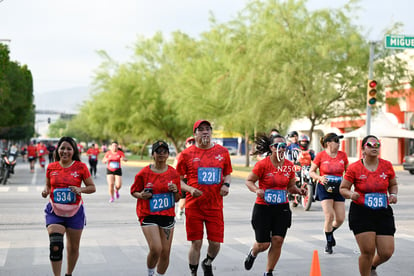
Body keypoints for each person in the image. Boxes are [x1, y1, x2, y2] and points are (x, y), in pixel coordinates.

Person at [244, 133, 306, 276]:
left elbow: (290, 187)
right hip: (263, 208)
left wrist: (299, 191)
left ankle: (269, 272)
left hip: (282, 208)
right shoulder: (262, 164)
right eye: (277, 146)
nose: (281, 149)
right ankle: (253, 252)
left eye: (284, 146)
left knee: (278, 240)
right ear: (271, 148)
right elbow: (249, 181)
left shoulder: (289, 166)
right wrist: (257, 190)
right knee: (263, 244)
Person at [176, 120, 232, 276]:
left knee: (215, 243)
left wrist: (226, 185)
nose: (205, 132)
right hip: (194, 206)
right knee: (196, 242)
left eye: (208, 129)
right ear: (195, 134)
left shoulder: (222, 152)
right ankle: (193, 273)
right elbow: (178, 180)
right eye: (201, 130)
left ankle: (207, 262)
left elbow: (227, 174)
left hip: (215, 205)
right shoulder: (186, 155)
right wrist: (189, 189)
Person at [340, 135, 398, 276]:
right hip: (361, 212)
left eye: (377, 144)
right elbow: (343, 188)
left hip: (383, 212)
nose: (374, 147)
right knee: (368, 251)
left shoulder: (387, 165)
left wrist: (393, 194)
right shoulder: (354, 168)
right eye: (370, 144)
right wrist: (350, 194)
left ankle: (372, 266)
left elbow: (393, 184)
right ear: (363, 149)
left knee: (386, 252)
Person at [41, 136, 96, 276]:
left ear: (74, 151)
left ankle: (68, 274)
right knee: (55, 245)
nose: (65, 151)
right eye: (62, 148)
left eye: (68, 149)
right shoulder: (51, 167)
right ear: (58, 150)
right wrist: (46, 191)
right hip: (55, 211)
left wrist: (81, 189)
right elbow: (48, 185)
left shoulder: (81, 167)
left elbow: (92, 187)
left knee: (73, 248)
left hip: (75, 212)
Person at [130, 140, 181, 276]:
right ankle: (150, 273)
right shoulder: (144, 173)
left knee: (165, 253)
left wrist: (176, 190)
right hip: (148, 214)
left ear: (168, 155)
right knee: (156, 248)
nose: (161, 154)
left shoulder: (173, 174)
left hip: (167, 215)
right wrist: (141, 195)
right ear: (153, 154)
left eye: (164, 152)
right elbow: (134, 191)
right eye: (158, 151)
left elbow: (177, 198)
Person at [309, 133, 349, 254]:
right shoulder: (321, 156)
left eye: (339, 140)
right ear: (328, 143)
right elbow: (311, 172)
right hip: (324, 188)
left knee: (341, 218)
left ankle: (329, 231)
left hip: (339, 188)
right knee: (329, 215)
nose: (338, 143)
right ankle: (329, 242)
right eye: (336, 140)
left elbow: (349, 172)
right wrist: (319, 178)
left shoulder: (343, 155)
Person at [173, 136, 195, 220]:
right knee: (184, 198)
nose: (192, 144)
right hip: (183, 180)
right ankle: (180, 209)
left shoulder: (199, 154)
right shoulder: (181, 155)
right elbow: (175, 166)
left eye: (193, 142)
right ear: (186, 145)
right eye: (190, 142)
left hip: (193, 179)